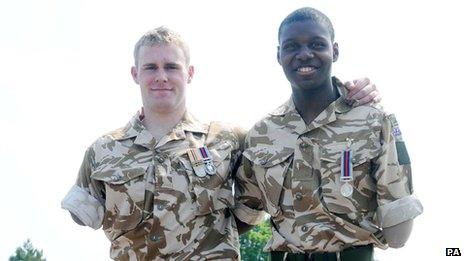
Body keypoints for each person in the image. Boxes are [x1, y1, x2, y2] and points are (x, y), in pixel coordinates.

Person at [61, 27, 379, 260]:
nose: (161, 76)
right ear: (135, 74)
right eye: (151, 67)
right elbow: (82, 215)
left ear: (189, 73)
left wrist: (345, 94)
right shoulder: (102, 151)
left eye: (171, 66)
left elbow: (295, 130)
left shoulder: (229, 140)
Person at [234, 7, 423, 261]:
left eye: (316, 44)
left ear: (334, 50)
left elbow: (398, 232)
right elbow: (245, 215)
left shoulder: (373, 121)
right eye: (291, 47)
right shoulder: (261, 134)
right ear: (278, 55)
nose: (304, 54)